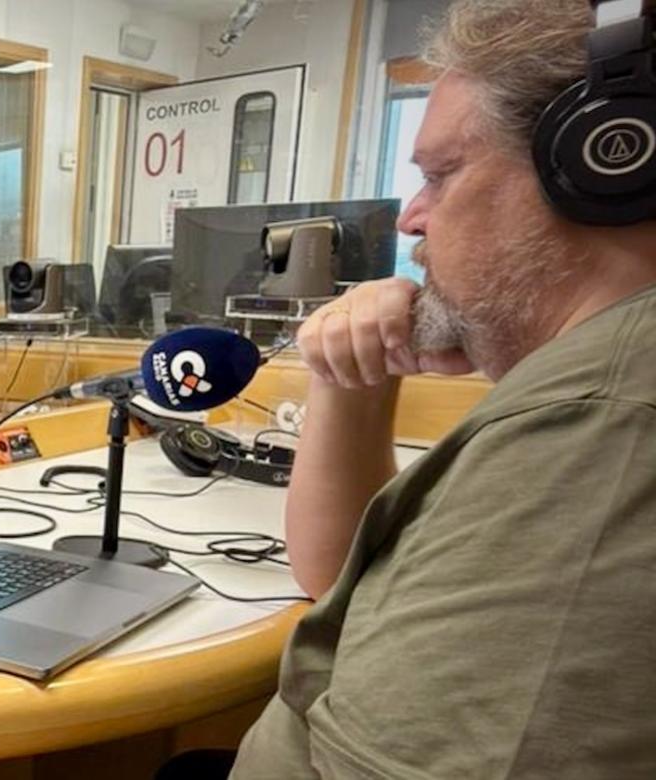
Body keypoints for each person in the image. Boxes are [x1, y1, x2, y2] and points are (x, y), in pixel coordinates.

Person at [227, 1, 656, 776]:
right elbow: (335, 580)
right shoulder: (590, 378)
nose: (413, 220)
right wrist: (351, 378)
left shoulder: (601, 424)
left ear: (604, 160)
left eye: (439, 174)